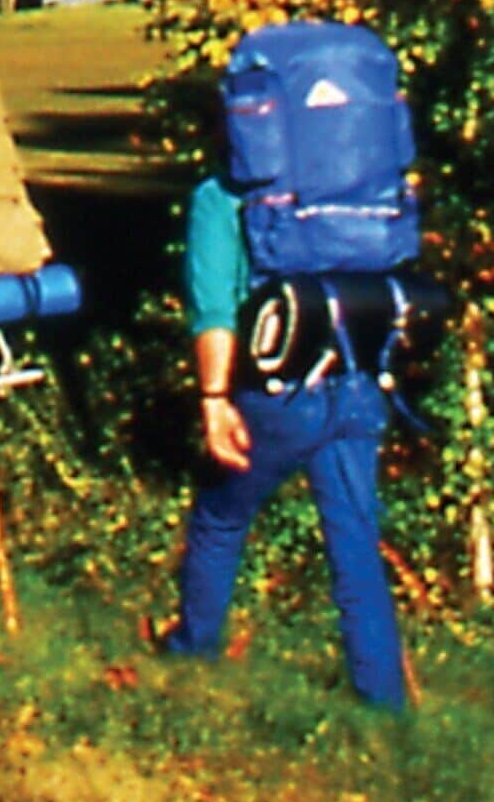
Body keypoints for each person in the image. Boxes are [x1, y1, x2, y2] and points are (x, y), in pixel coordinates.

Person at [148, 151, 410, 707]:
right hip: (359, 377)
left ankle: (193, 653)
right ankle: (384, 701)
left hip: (278, 391)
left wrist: (214, 398)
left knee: (221, 515)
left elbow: (215, 309)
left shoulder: (223, 197)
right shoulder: (355, 180)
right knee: (356, 536)